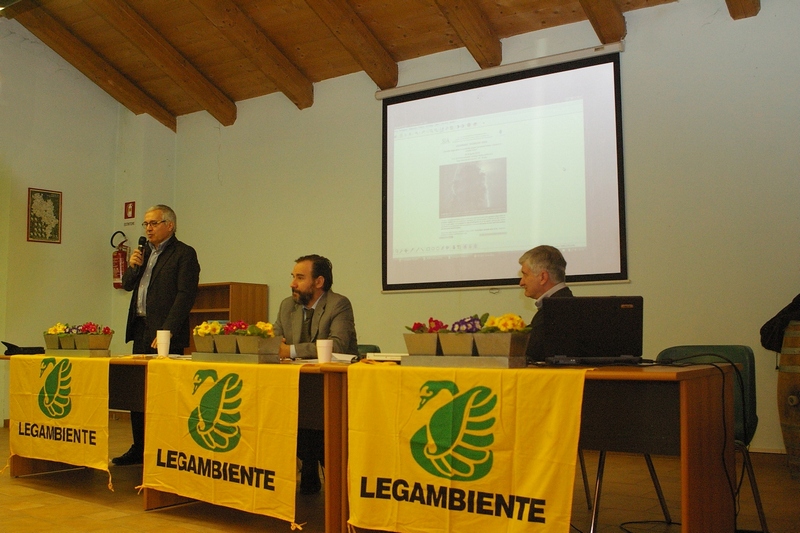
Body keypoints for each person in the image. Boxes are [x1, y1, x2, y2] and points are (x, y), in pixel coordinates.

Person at [114, 204, 200, 466]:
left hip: (164, 333)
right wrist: (132, 266)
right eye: (146, 224)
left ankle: (164, 447)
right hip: (141, 328)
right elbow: (127, 285)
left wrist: (168, 329)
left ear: (169, 225)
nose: (148, 229)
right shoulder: (143, 253)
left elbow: (186, 295)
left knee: (163, 395)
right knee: (137, 391)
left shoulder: (184, 254)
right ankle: (139, 447)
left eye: (153, 223)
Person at [273, 254, 358, 494]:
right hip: (298, 387)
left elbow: (337, 346)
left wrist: (289, 350)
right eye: (293, 277)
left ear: (318, 282)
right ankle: (307, 463)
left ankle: (322, 469)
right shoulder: (287, 306)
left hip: (333, 390)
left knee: (314, 411)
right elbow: (274, 340)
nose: (292, 283)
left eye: (300, 277)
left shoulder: (338, 304)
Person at [518, 245, 573, 363]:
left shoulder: (555, 310)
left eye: (525, 274)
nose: (521, 282)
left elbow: (532, 351)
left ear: (543, 277)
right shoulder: (563, 303)